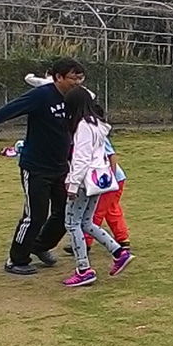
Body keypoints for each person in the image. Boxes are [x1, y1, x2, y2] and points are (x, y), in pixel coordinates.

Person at [0, 58, 86, 276]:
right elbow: (11, 109)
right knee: (35, 215)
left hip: (61, 167)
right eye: (73, 78)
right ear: (58, 77)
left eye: (80, 78)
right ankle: (16, 259)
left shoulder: (75, 98)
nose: (77, 82)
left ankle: (40, 246)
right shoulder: (42, 95)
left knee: (64, 214)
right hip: (36, 166)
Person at [60, 86, 135, 287]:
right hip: (99, 179)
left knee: (72, 223)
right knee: (86, 222)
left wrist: (73, 184)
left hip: (84, 180)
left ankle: (83, 269)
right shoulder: (97, 124)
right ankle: (119, 252)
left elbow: (81, 158)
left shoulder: (83, 126)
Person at [64, 103, 130, 254]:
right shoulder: (92, 130)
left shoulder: (93, 133)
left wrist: (111, 178)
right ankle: (122, 240)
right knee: (111, 209)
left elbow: (111, 156)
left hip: (105, 179)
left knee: (96, 213)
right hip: (106, 179)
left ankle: (86, 244)